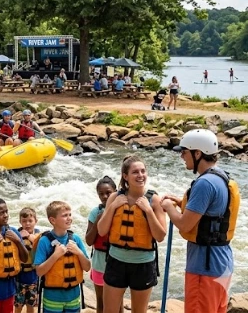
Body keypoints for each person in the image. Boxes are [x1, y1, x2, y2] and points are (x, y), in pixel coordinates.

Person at [162, 129, 239, 313]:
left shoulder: (205, 183)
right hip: (222, 264)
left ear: (198, 153)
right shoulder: (221, 177)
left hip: (204, 267)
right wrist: (182, 203)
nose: (182, 156)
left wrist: (167, 206)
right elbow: (212, 214)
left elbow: (185, 224)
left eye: (184, 152)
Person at [96, 156, 167, 313]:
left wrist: (148, 211)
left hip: (143, 265)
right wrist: (113, 206)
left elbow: (160, 236)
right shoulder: (115, 197)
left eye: (143, 171)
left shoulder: (154, 200)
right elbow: (101, 230)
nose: (140, 175)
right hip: (116, 262)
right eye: (135, 172)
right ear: (125, 176)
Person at [33, 201, 91, 313]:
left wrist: (79, 252)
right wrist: (55, 255)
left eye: (70, 214)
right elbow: (39, 272)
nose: (69, 218)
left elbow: (87, 267)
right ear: (52, 220)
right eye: (65, 215)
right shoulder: (44, 241)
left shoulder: (76, 239)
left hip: (73, 296)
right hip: (52, 298)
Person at [85, 176, 121, 313]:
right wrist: (98, 222)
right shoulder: (95, 213)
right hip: (99, 263)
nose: (105, 196)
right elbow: (89, 241)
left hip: (117, 262)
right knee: (100, 302)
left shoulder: (121, 211)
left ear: (116, 191)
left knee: (118, 303)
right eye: (101, 194)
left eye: (108, 193)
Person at [15, 208, 41, 313]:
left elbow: (40, 245)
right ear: (20, 222)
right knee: (18, 305)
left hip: (33, 277)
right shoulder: (16, 235)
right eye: (24, 221)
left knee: (31, 305)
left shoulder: (38, 235)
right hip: (19, 277)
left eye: (30, 221)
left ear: (36, 221)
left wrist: (29, 236)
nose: (27, 224)